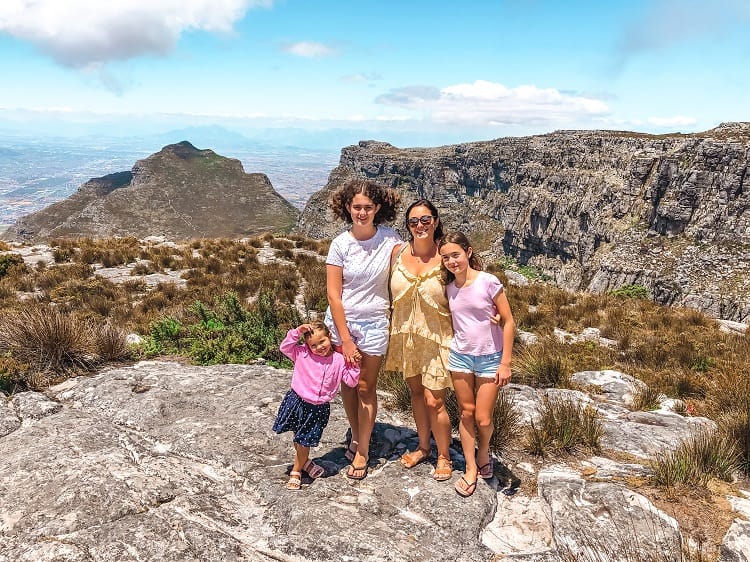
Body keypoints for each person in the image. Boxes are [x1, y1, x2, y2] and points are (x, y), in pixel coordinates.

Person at [325, 179, 402, 480]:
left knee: (366, 386)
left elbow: (413, 266)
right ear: (347, 207)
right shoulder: (340, 244)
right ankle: (356, 434)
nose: (362, 212)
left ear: (378, 208)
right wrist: (344, 339)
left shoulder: (390, 240)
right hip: (343, 323)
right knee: (348, 383)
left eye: (368, 207)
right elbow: (334, 294)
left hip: (373, 324)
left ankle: (363, 450)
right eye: (357, 207)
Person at [438, 232, 515, 498]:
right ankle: (471, 467)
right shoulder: (448, 288)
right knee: (466, 413)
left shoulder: (488, 282)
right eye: (446, 257)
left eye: (455, 255)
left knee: (483, 418)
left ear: (468, 252)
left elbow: (509, 322)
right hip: (460, 357)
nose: (451, 261)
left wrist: (505, 363)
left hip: (490, 357)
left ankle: (484, 453)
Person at [384, 199, 454, 482]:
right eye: (414, 222)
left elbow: (471, 288)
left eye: (426, 220)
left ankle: (444, 456)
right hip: (406, 337)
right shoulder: (397, 254)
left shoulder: (447, 256)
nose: (420, 226)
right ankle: (424, 447)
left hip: (439, 339)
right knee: (415, 394)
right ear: (408, 226)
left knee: (434, 400)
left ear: (436, 221)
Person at [273, 321, 360, 490]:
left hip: (318, 408)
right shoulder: (302, 353)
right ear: (307, 345)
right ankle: (304, 463)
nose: (319, 347)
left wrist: (354, 364)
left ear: (330, 337)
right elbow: (285, 347)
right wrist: (297, 332)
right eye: (313, 345)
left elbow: (351, 380)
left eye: (322, 342)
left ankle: (296, 470)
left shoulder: (339, 360)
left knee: (304, 440)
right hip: (297, 401)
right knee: (299, 436)